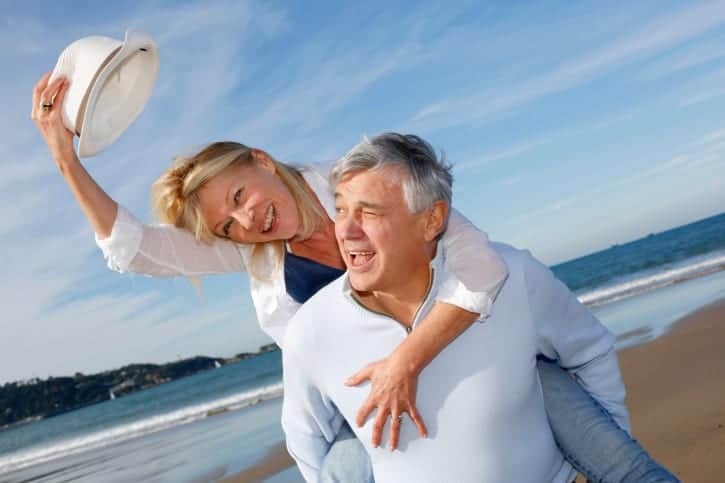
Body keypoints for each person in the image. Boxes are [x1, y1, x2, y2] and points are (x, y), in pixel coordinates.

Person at [32, 73, 677, 482]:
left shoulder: (366, 181)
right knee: (340, 464)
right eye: (226, 226)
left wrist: (408, 361)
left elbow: (480, 264)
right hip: (364, 405)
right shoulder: (255, 256)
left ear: (260, 161)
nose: (245, 220)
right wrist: (63, 156)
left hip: (462, 349)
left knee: (610, 451)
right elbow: (137, 249)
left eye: (237, 195)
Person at [282, 133, 680, 483]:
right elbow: (306, 438)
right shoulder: (311, 330)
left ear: (432, 220)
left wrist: (610, 461)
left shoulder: (514, 277)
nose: (347, 230)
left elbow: (590, 352)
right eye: (341, 210)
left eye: (369, 212)